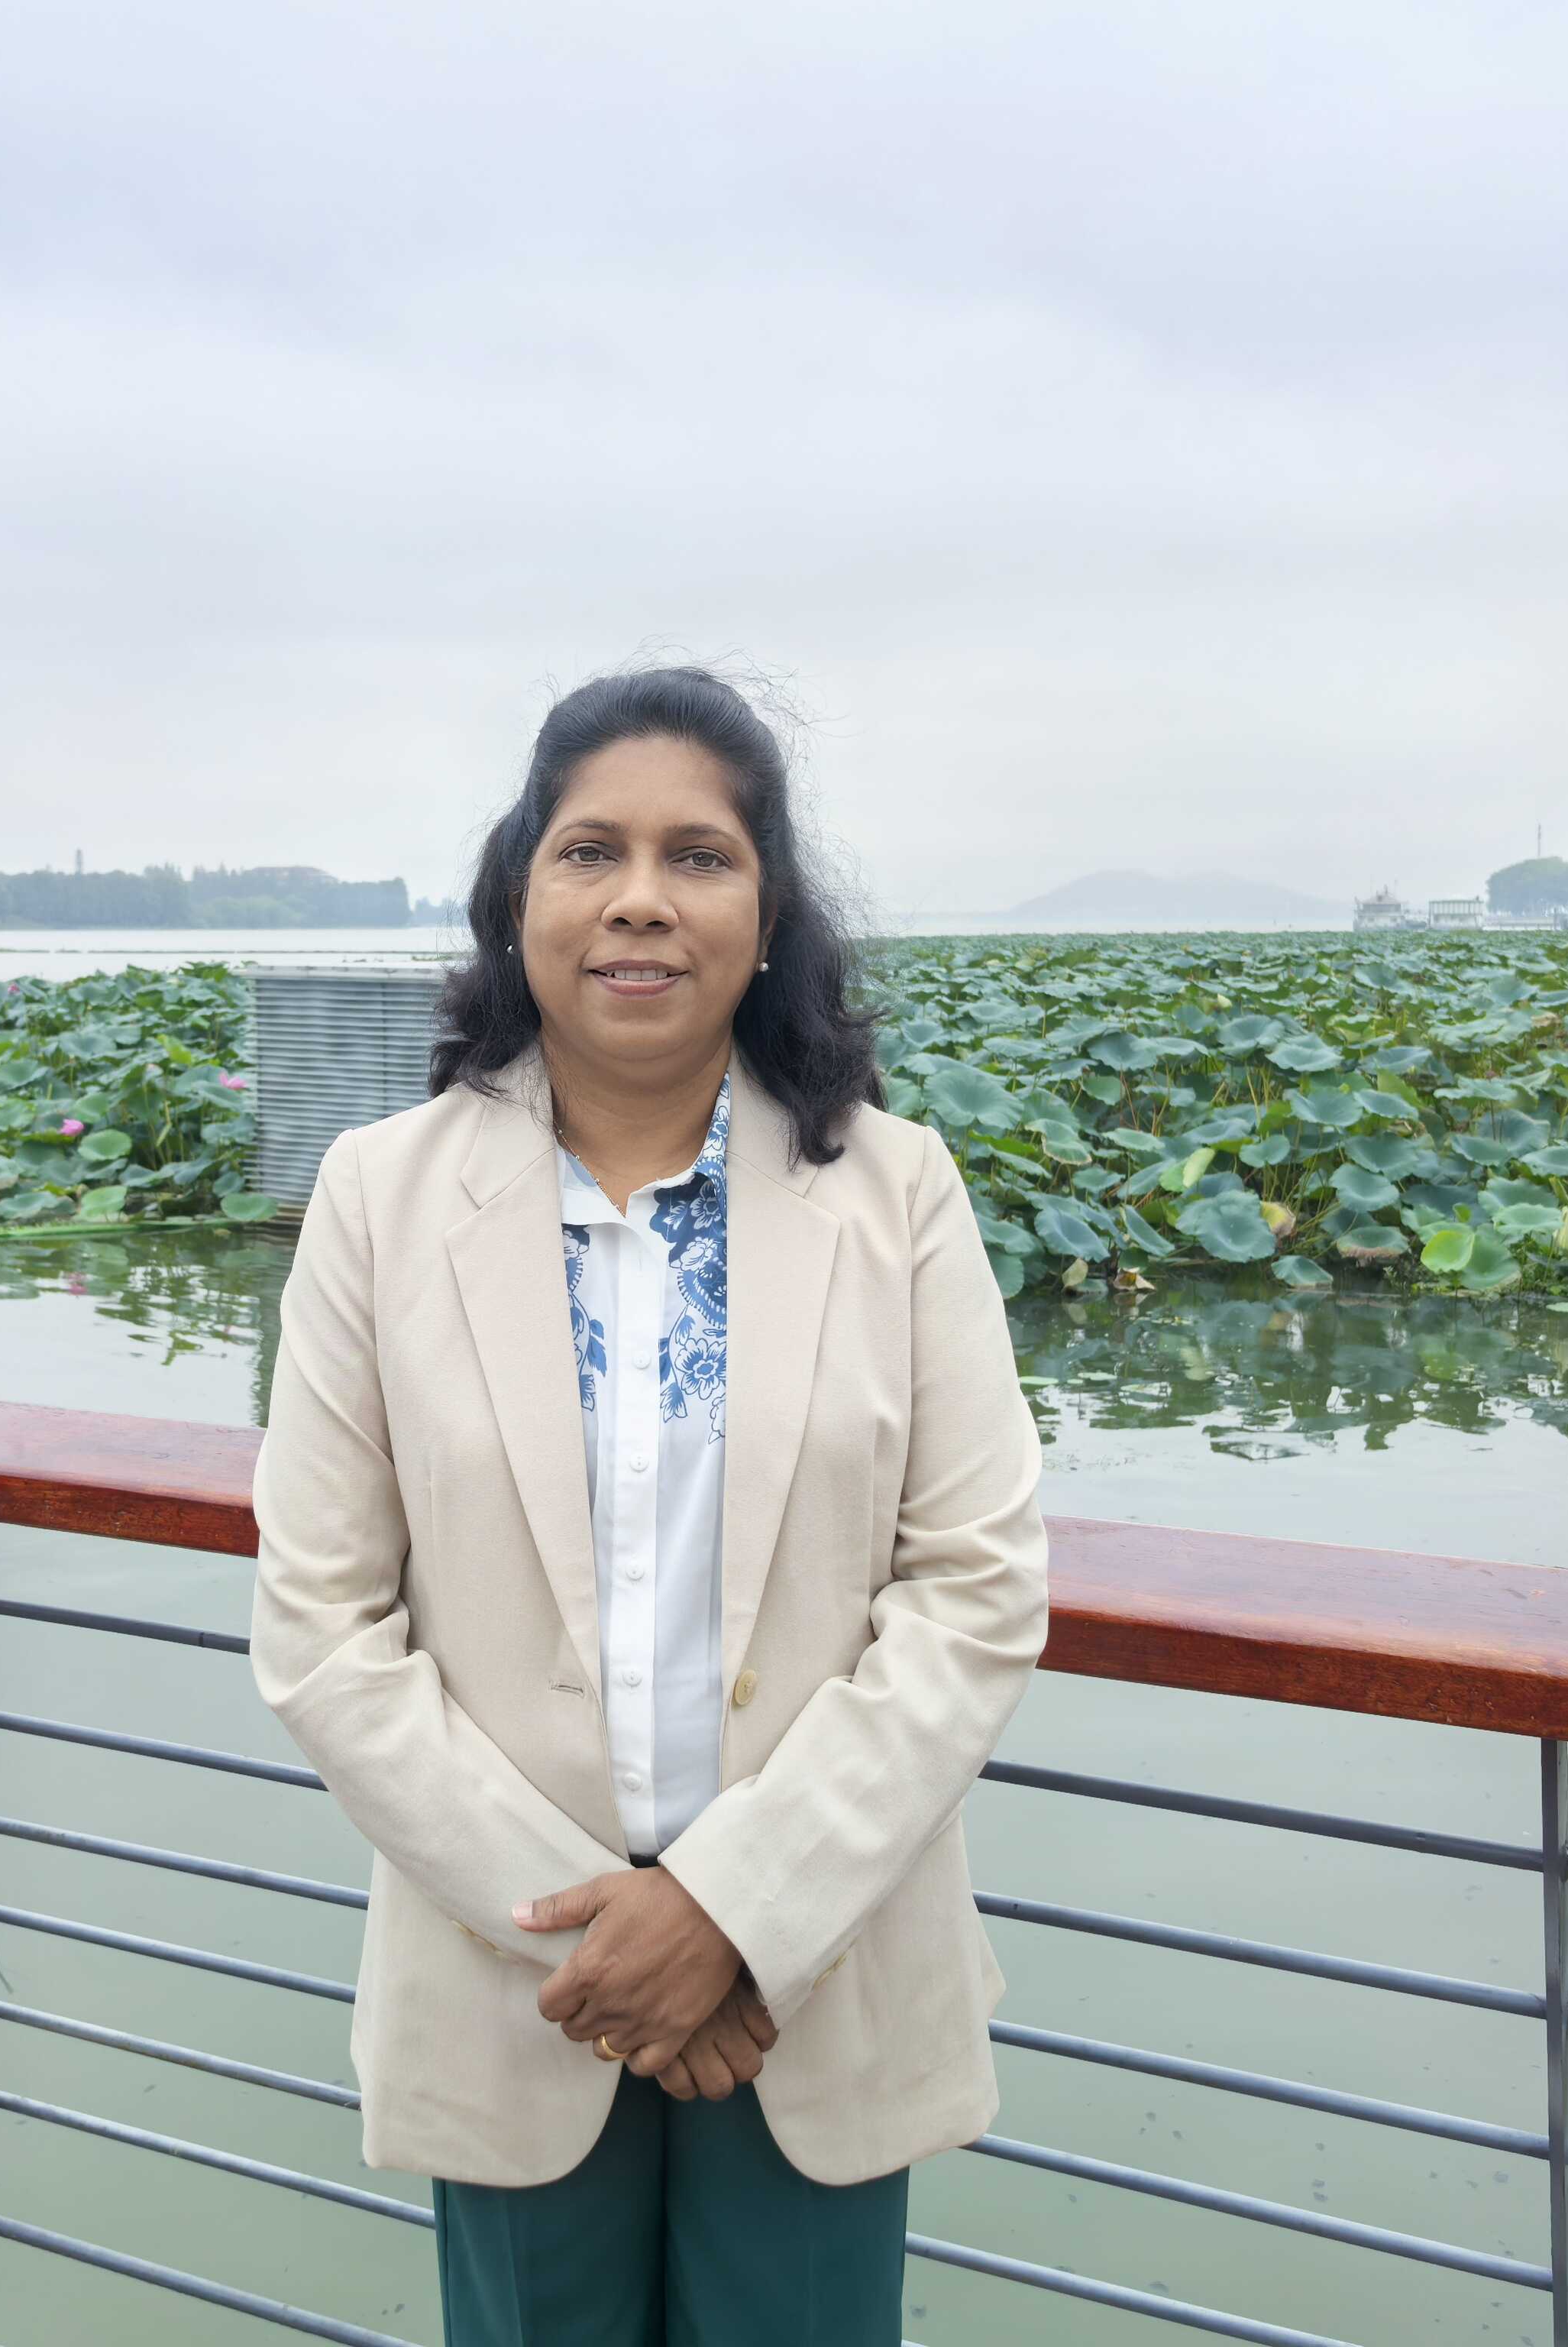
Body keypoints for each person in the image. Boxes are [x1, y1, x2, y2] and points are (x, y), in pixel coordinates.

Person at [251, 667, 1049, 2345]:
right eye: (588, 852)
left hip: (816, 1977)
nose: (639, 900)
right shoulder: (378, 1201)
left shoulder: (896, 1193)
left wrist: (733, 1913)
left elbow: (974, 1591)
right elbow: (321, 1628)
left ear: (767, 916)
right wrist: (608, 1939)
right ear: (516, 897)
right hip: (515, 1975)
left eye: (698, 857)